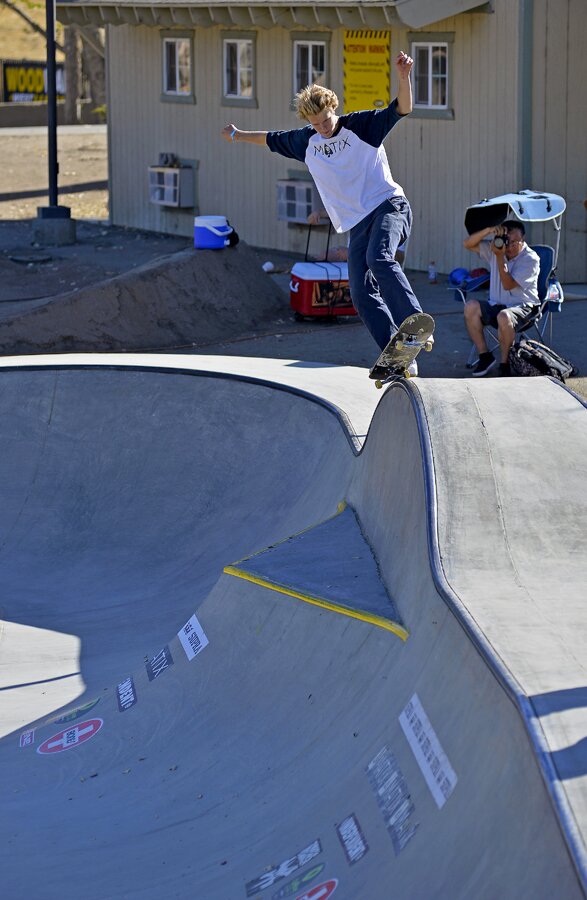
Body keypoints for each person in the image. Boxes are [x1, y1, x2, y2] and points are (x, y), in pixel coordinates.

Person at [221, 51, 425, 375]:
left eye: (326, 120)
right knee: (358, 292)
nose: (323, 128)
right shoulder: (307, 141)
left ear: (334, 108)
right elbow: (270, 139)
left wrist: (403, 77)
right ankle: (400, 355)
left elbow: (402, 107)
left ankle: (412, 322)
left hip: (388, 206)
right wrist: (237, 134)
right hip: (358, 224)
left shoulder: (362, 125)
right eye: (315, 124)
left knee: (379, 258)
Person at [463, 220, 540, 376]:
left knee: (504, 316)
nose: (509, 246)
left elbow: (508, 284)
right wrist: (489, 230)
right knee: (470, 306)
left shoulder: (530, 259)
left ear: (523, 239)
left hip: (524, 308)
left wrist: (499, 257)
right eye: (507, 241)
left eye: (514, 242)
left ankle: (505, 364)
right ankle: (485, 356)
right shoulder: (498, 249)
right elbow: (467, 244)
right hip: (498, 304)